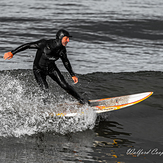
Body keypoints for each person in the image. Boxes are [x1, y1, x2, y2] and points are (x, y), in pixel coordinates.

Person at [3, 29, 89, 104]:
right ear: (60, 38)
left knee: (65, 85)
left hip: (51, 68)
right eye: (66, 38)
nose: (68, 40)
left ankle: (80, 100)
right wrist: (12, 52)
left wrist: (72, 74)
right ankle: (46, 106)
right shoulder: (44, 44)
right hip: (38, 70)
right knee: (45, 89)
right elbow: (28, 45)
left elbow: (66, 62)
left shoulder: (62, 50)